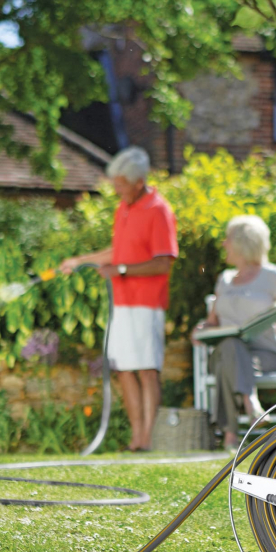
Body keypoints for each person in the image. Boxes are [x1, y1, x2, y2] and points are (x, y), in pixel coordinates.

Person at [60, 146, 178, 452]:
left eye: (121, 184)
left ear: (139, 182)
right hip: (122, 304)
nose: (116, 189)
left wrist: (122, 270)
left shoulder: (159, 210)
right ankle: (136, 439)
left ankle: (148, 441)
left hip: (147, 302)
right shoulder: (123, 209)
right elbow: (119, 252)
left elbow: (163, 261)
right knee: (124, 368)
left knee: (146, 369)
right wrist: (80, 260)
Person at [192, 215, 276, 450]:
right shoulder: (224, 280)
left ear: (243, 243)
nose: (223, 244)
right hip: (226, 355)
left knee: (229, 353)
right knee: (230, 346)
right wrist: (201, 329)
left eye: (227, 239)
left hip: (263, 356)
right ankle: (250, 402)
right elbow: (212, 322)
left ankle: (230, 436)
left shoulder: (273, 275)